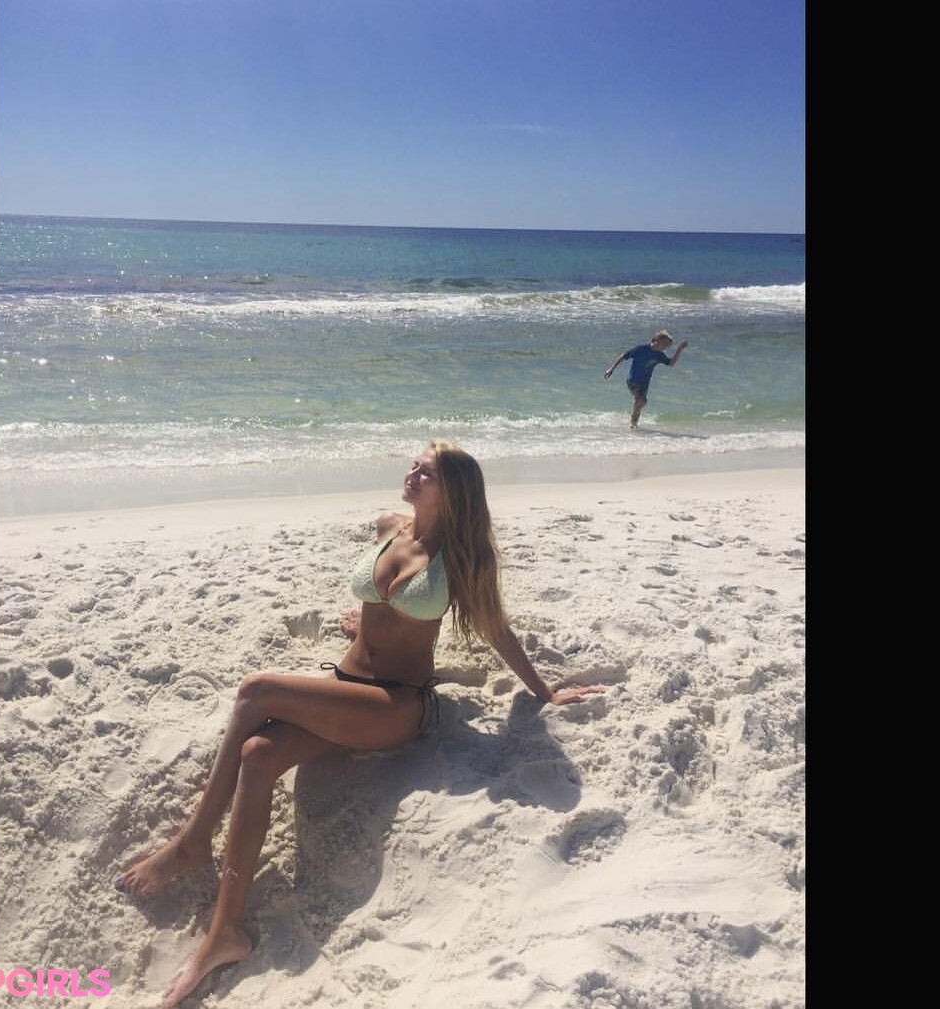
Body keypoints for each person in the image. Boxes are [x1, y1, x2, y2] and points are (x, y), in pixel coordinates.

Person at [114, 439, 605, 1008]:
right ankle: (227, 932)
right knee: (257, 754)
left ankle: (193, 841)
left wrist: (545, 691)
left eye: (427, 473)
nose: (412, 474)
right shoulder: (389, 527)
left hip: (395, 706)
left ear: (455, 491)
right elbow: (384, 609)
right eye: (414, 465)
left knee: (255, 690)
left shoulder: (462, 556)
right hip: (344, 689)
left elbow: (497, 630)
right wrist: (365, 627)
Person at [604, 329, 689, 428]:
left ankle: (634, 425)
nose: (666, 348)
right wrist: (611, 369)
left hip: (644, 385)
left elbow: (671, 363)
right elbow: (624, 356)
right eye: (665, 345)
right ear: (657, 341)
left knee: (640, 403)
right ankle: (633, 422)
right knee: (642, 401)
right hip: (633, 381)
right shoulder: (641, 349)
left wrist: (679, 349)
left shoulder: (659, 355)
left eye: (667, 346)